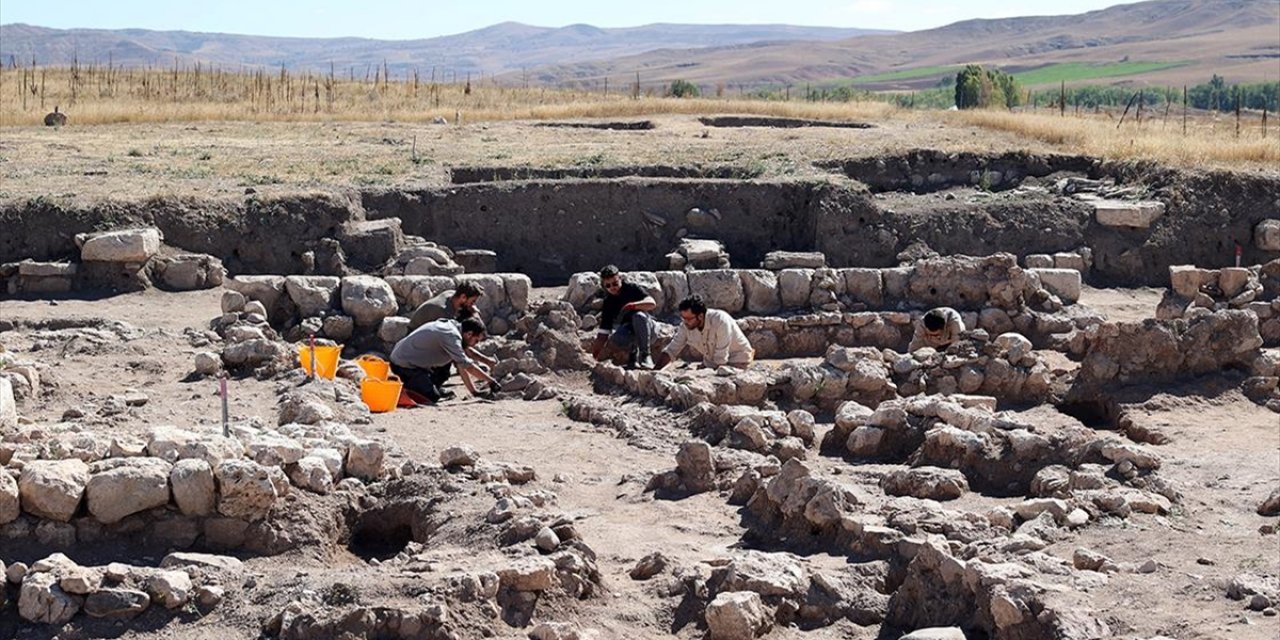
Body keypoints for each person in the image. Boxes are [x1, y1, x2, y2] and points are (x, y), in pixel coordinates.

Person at [390, 316, 498, 402]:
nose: (475, 344)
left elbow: (463, 358)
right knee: (432, 397)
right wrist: (491, 381)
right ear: (469, 334)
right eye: (476, 341)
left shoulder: (453, 326)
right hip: (403, 366)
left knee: (446, 366)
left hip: (408, 360)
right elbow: (466, 365)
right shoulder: (451, 335)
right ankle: (403, 388)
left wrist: (474, 392)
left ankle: (430, 386)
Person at [656, 295, 755, 370]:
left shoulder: (720, 321)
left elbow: (720, 359)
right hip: (712, 363)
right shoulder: (685, 326)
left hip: (738, 360)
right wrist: (655, 371)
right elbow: (672, 350)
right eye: (683, 318)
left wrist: (706, 371)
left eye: (688, 319)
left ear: (700, 316)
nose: (685, 322)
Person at [589, 265, 657, 369]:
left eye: (615, 283)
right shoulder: (608, 302)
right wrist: (594, 357)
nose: (612, 287)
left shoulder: (632, 288)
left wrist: (633, 306)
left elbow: (652, 303)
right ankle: (632, 356)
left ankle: (645, 355)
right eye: (608, 285)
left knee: (638, 316)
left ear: (620, 278)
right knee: (617, 338)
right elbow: (603, 333)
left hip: (648, 329)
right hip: (629, 330)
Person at [408, 281, 484, 330]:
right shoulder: (443, 312)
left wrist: (474, 312)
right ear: (463, 297)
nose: (473, 305)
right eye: (472, 301)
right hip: (414, 337)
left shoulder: (452, 294)